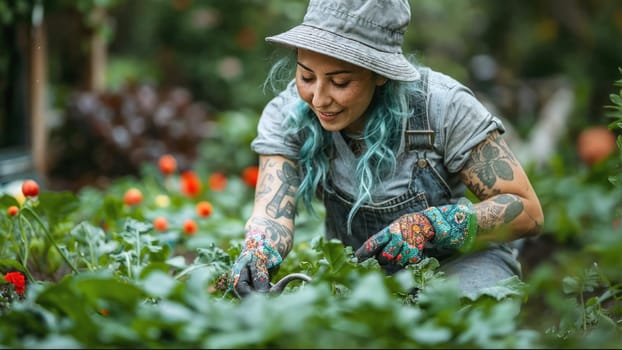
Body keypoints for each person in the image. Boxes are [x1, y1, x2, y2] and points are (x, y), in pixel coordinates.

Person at [228, 0, 544, 298]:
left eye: (339, 83)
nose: (319, 98)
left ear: (381, 73)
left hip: (459, 266)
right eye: (306, 76)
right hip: (361, 274)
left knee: (460, 316)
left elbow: (528, 211)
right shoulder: (288, 115)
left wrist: (432, 226)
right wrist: (258, 250)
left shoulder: (445, 108)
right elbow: (271, 214)